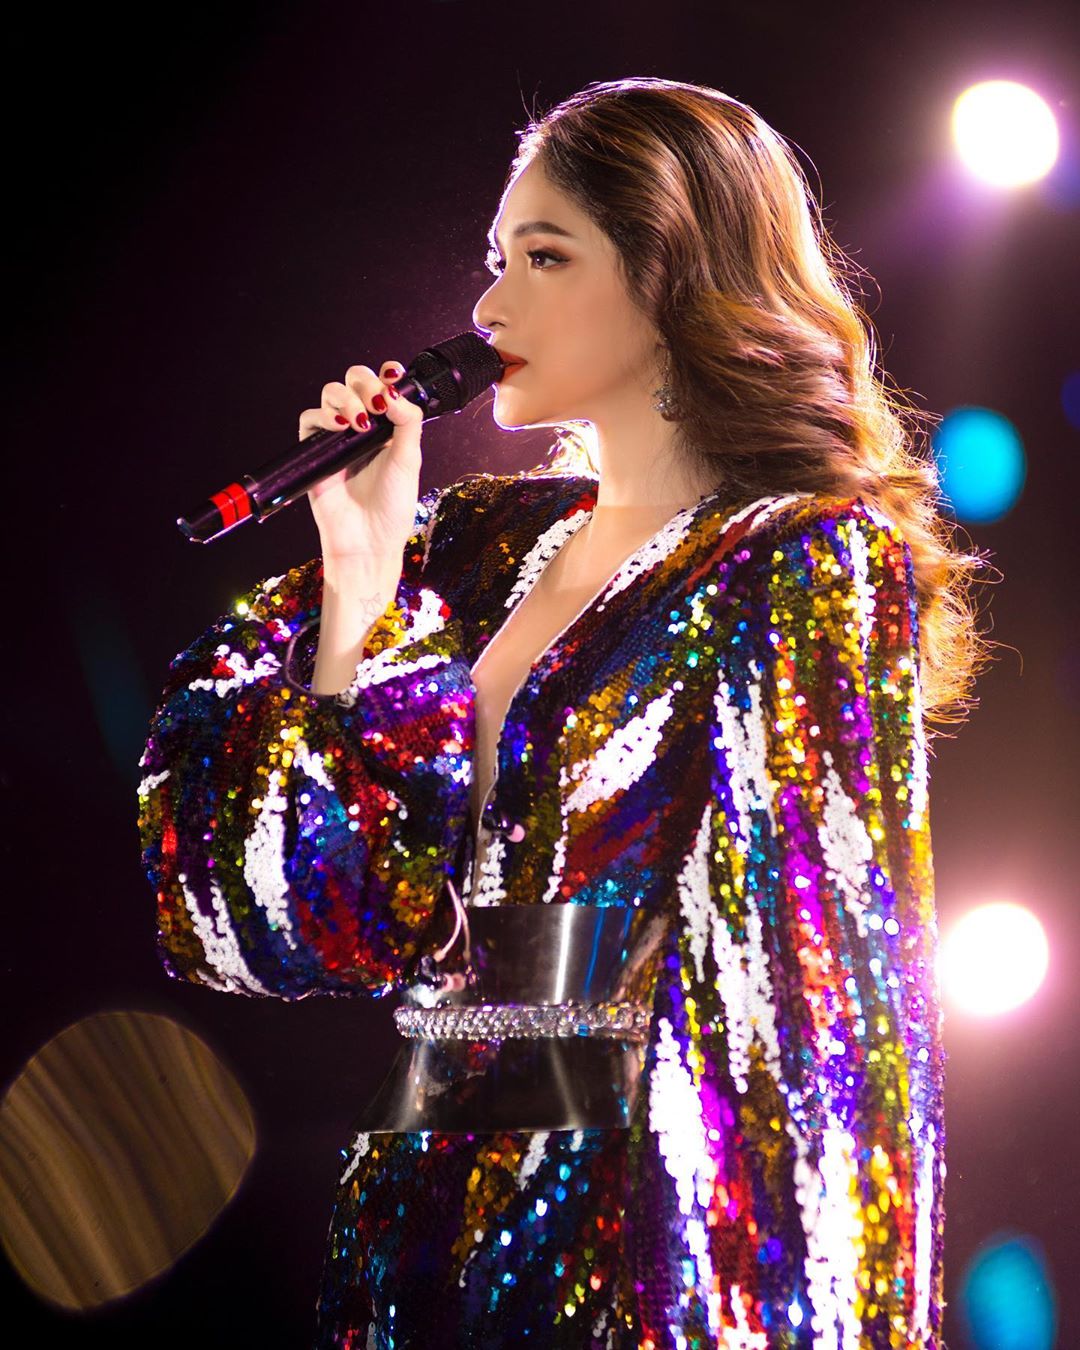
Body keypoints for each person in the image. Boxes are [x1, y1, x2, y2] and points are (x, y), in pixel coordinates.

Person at [137, 77, 985, 1348]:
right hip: (419, 1209)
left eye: (544, 257)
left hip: (645, 1232)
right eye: (496, 261)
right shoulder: (474, 549)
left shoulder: (798, 561)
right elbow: (308, 917)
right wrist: (362, 580)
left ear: (672, 272)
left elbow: (817, 1010)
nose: (489, 309)